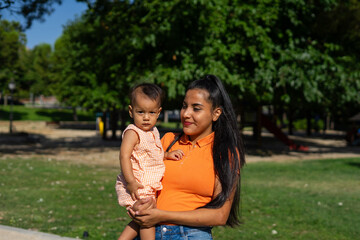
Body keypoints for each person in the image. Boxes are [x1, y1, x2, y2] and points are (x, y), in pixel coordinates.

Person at [128, 75, 246, 239]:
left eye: (196, 108)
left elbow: (220, 215)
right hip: (148, 231)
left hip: (189, 235)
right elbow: (139, 176)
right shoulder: (167, 141)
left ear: (216, 113)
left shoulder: (224, 153)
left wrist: (162, 215)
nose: (186, 114)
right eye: (184, 106)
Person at [115, 83, 184, 240]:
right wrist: (131, 181)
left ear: (158, 112)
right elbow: (124, 156)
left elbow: (152, 153)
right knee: (147, 220)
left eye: (151, 112)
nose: (146, 117)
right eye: (141, 112)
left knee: (141, 218)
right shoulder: (133, 132)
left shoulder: (153, 131)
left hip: (147, 184)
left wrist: (167, 155)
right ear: (131, 111)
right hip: (138, 183)